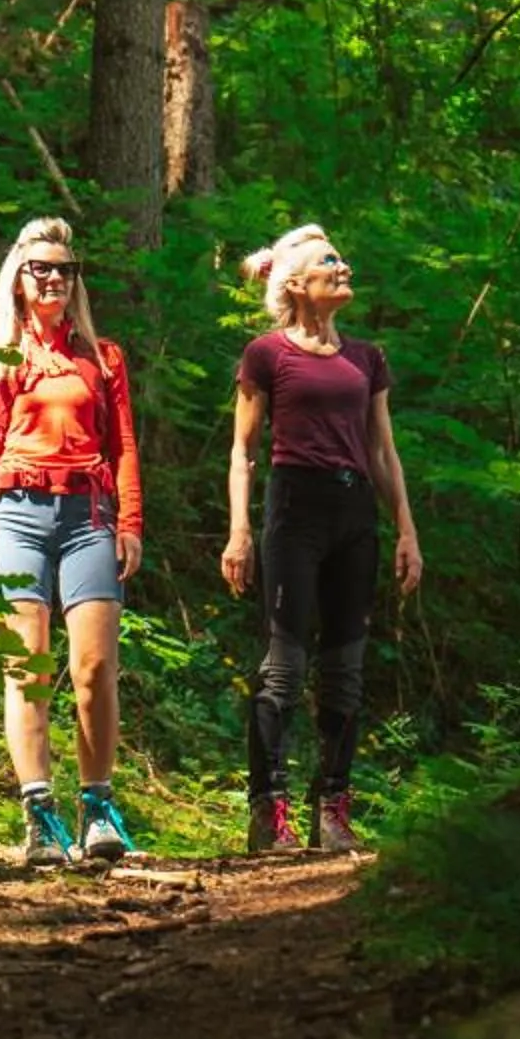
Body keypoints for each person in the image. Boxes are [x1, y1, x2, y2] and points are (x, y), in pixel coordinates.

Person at [220, 223, 422, 855]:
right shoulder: (266, 354)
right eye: (330, 262)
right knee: (284, 667)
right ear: (298, 284)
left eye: (342, 258)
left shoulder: (368, 358)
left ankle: (332, 810)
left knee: (345, 670)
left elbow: (383, 452)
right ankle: (268, 811)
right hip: (294, 509)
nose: (344, 267)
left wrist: (406, 531)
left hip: (354, 514)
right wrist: (239, 530)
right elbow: (243, 451)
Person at [0, 217, 143, 862]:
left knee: (94, 669)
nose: (56, 278)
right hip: (15, 512)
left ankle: (98, 811)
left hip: (89, 514)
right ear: (18, 278)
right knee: (29, 668)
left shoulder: (103, 356)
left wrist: (130, 523)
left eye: (66, 269)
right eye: (42, 268)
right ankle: (39, 813)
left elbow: (122, 447)